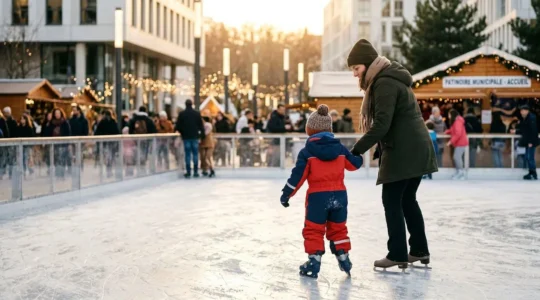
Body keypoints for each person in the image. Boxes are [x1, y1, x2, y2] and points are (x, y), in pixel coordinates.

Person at [347, 39, 437, 270]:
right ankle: (419, 250)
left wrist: (355, 150)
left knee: (392, 200)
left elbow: (382, 125)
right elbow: (393, 122)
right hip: (415, 146)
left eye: (356, 69)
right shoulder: (391, 78)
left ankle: (397, 253)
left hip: (405, 150)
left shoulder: (384, 83)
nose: (355, 75)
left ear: (367, 64)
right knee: (407, 199)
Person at [280, 104, 363, 279]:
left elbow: (298, 176)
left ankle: (314, 260)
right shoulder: (340, 149)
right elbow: (354, 165)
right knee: (338, 228)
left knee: (314, 229)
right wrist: (359, 156)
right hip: (339, 196)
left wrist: (287, 194)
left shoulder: (307, 151)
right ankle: (343, 256)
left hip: (317, 198)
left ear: (309, 129)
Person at [175, 99, 205, 178]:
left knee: (187, 154)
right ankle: (195, 171)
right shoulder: (196, 114)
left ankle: (188, 171)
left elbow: (178, 126)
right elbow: (201, 126)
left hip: (186, 137)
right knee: (195, 154)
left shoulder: (182, 114)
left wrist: (182, 133)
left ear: (185, 104)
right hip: (194, 136)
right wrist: (202, 135)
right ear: (192, 104)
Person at [512, 105, 538, 180]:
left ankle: (533, 173)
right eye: (521, 111)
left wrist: (530, 142)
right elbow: (524, 129)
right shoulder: (526, 118)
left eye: (523, 110)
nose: (521, 112)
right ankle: (531, 172)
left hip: (531, 142)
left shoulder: (531, 118)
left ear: (527, 111)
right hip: (528, 141)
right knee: (528, 157)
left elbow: (533, 131)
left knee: (530, 157)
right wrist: (516, 131)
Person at [94, 110, 120, 177]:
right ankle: (110, 171)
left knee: (106, 157)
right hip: (112, 143)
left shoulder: (102, 122)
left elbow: (96, 133)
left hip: (104, 143)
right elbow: (117, 132)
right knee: (111, 157)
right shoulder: (113, 122)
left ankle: (107, 171)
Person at [445, 109, 469, 180]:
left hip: (461, 143)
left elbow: (458, 133)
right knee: (456, 157)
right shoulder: (456, 121)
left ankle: (461, 173)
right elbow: (454, 130)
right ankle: (459, 172)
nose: (448, 116)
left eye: (449, 115)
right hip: (459, 143)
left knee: (457, 157)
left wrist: (450, 141)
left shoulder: (458, 121)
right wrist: (447, 131)